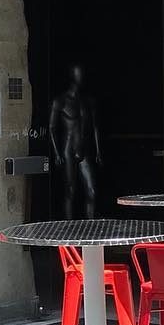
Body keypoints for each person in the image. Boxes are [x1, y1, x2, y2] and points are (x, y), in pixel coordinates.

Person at [49, 63, 101, 219]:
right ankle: (69, 226)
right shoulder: (61, 101)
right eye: (78, 74)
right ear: (72, 76)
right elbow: (52, 128)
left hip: (84, 149)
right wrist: (57, 154)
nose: (81, 77)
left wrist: (98, 151)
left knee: (92, 190)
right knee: (70, 190)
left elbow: (95, 127)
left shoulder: (88, 101)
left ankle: (91, 224)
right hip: (68, 149)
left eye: (82, 74)